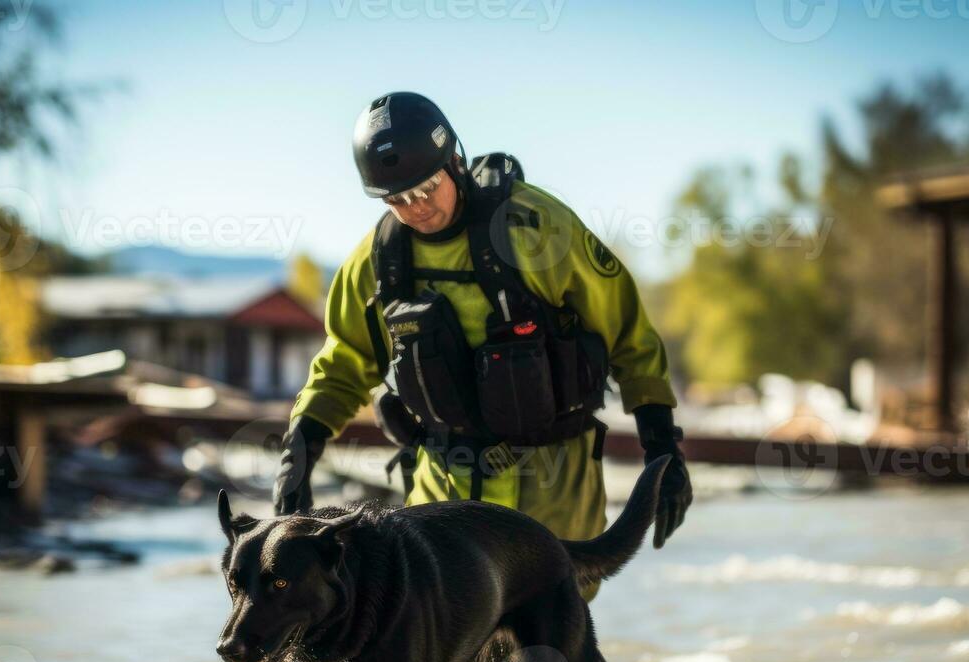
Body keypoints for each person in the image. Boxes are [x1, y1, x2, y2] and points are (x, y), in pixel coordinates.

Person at [273, 92, 691, 553]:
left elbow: (628, 336)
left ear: (454, 160)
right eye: (397, 200)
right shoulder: (378, 262)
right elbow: (343, 363)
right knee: (442, 621)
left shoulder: (539, 230)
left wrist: (662, 449)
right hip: (439, 491)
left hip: (551, 485)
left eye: (426, 189)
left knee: (551, 621)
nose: (416, 209)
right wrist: (301, 451)